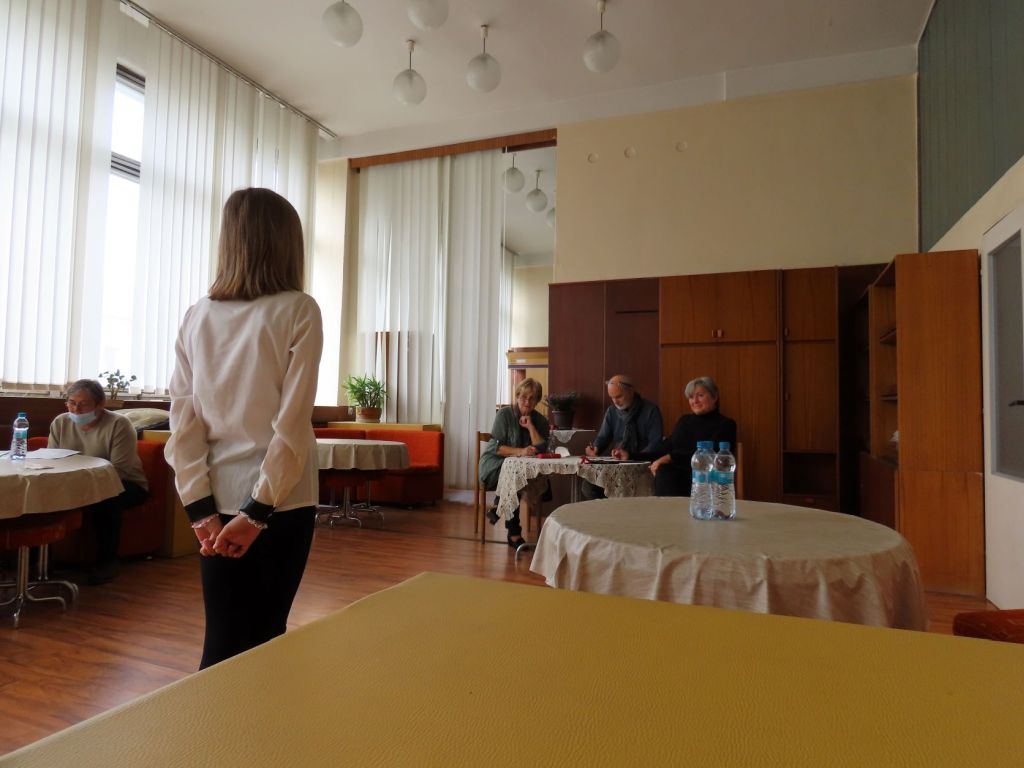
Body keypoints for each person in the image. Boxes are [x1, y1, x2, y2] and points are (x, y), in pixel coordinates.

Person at [165, 187, 323, 669]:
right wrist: (256, 514)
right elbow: (291, 425)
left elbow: (183, 422)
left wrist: (199, 510)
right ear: (287, 242)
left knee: (221, 640)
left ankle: (213, 719)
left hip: (215, 500)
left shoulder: (197, 315)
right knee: (264, 639)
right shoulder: (299, 309)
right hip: (282, 502)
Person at [48, 379, 149, 585]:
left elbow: (119, 470)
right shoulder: (61, 422)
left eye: (83, 404)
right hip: (74, 483)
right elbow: (52, 461)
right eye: (71, 403)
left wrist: (84, 489)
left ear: (100, 404)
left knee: (105, 499)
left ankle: (107, 562)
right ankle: (41, 562)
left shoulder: (119, 424)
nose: (76, 409)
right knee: (43, 497)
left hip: (124, 483)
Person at [614, 376, 736, 497]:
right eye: (691, 397)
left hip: (705, 481)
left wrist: (671, 457)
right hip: (673, 477)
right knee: (657, 471)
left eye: (700, 395)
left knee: (664, 471)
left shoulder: (726, 424)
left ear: (714, 397)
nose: (695, 401)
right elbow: (661, 450)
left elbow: (710, 456)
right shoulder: (684, 421)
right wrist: (630, 455)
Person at [478, 378, 550, 548]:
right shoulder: (504, 415)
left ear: (537, 401)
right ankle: (514, 532)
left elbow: (541, 448)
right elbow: (497, 448)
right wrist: (521, 451)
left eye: (532, 398)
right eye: (523, 397)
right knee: (514, 473)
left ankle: (498, 507)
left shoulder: (540, 421)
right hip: (494, 465)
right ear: (517, 396)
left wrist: (531, 427)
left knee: (517, 473)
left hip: (521, 471)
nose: (527, 402)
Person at [581, 374, 663, 499]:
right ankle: (608, 511)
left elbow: (655, 445)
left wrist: (632, 457)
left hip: (643, 464)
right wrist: (595, 448)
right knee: (589, 486)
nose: (615, 401)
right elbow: (603, 437)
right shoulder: (612, 411)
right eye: (612, 397)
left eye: (619, 396)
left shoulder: (651, 410)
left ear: (631, 391)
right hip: (618, 462)